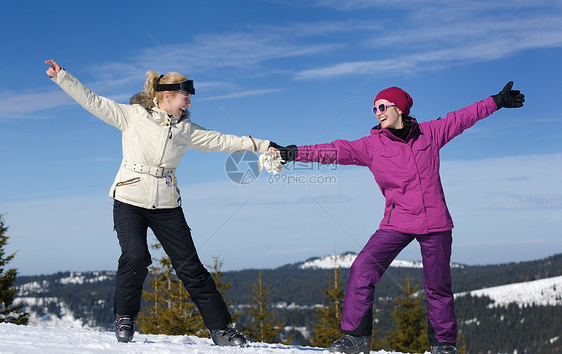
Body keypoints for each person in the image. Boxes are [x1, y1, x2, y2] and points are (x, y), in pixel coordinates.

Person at [273, 82, 524, 354]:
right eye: (374, 109)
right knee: (362, 268)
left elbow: (463, 116)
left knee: (438, 285)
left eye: (382, 107)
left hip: (435, 222)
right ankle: (356, 337)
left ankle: (443, 344)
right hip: (397, 221)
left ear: (398, 108)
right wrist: (293, 153)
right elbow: (334, 150)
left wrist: (497, 101)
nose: (377, 113)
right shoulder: (371, 145)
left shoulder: (431, 133)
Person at [45, 60, 279, 346]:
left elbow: (223, 141)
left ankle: (221, 330)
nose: (189, 102)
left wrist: (263, 144)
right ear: (166, 96)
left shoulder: (185, 129)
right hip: (129, 199)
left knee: (191, 267)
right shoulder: (131, 116)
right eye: (185, 96)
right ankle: (124, 317)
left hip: (167, 205)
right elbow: (93, 101)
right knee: (135, 256)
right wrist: (63, 78)